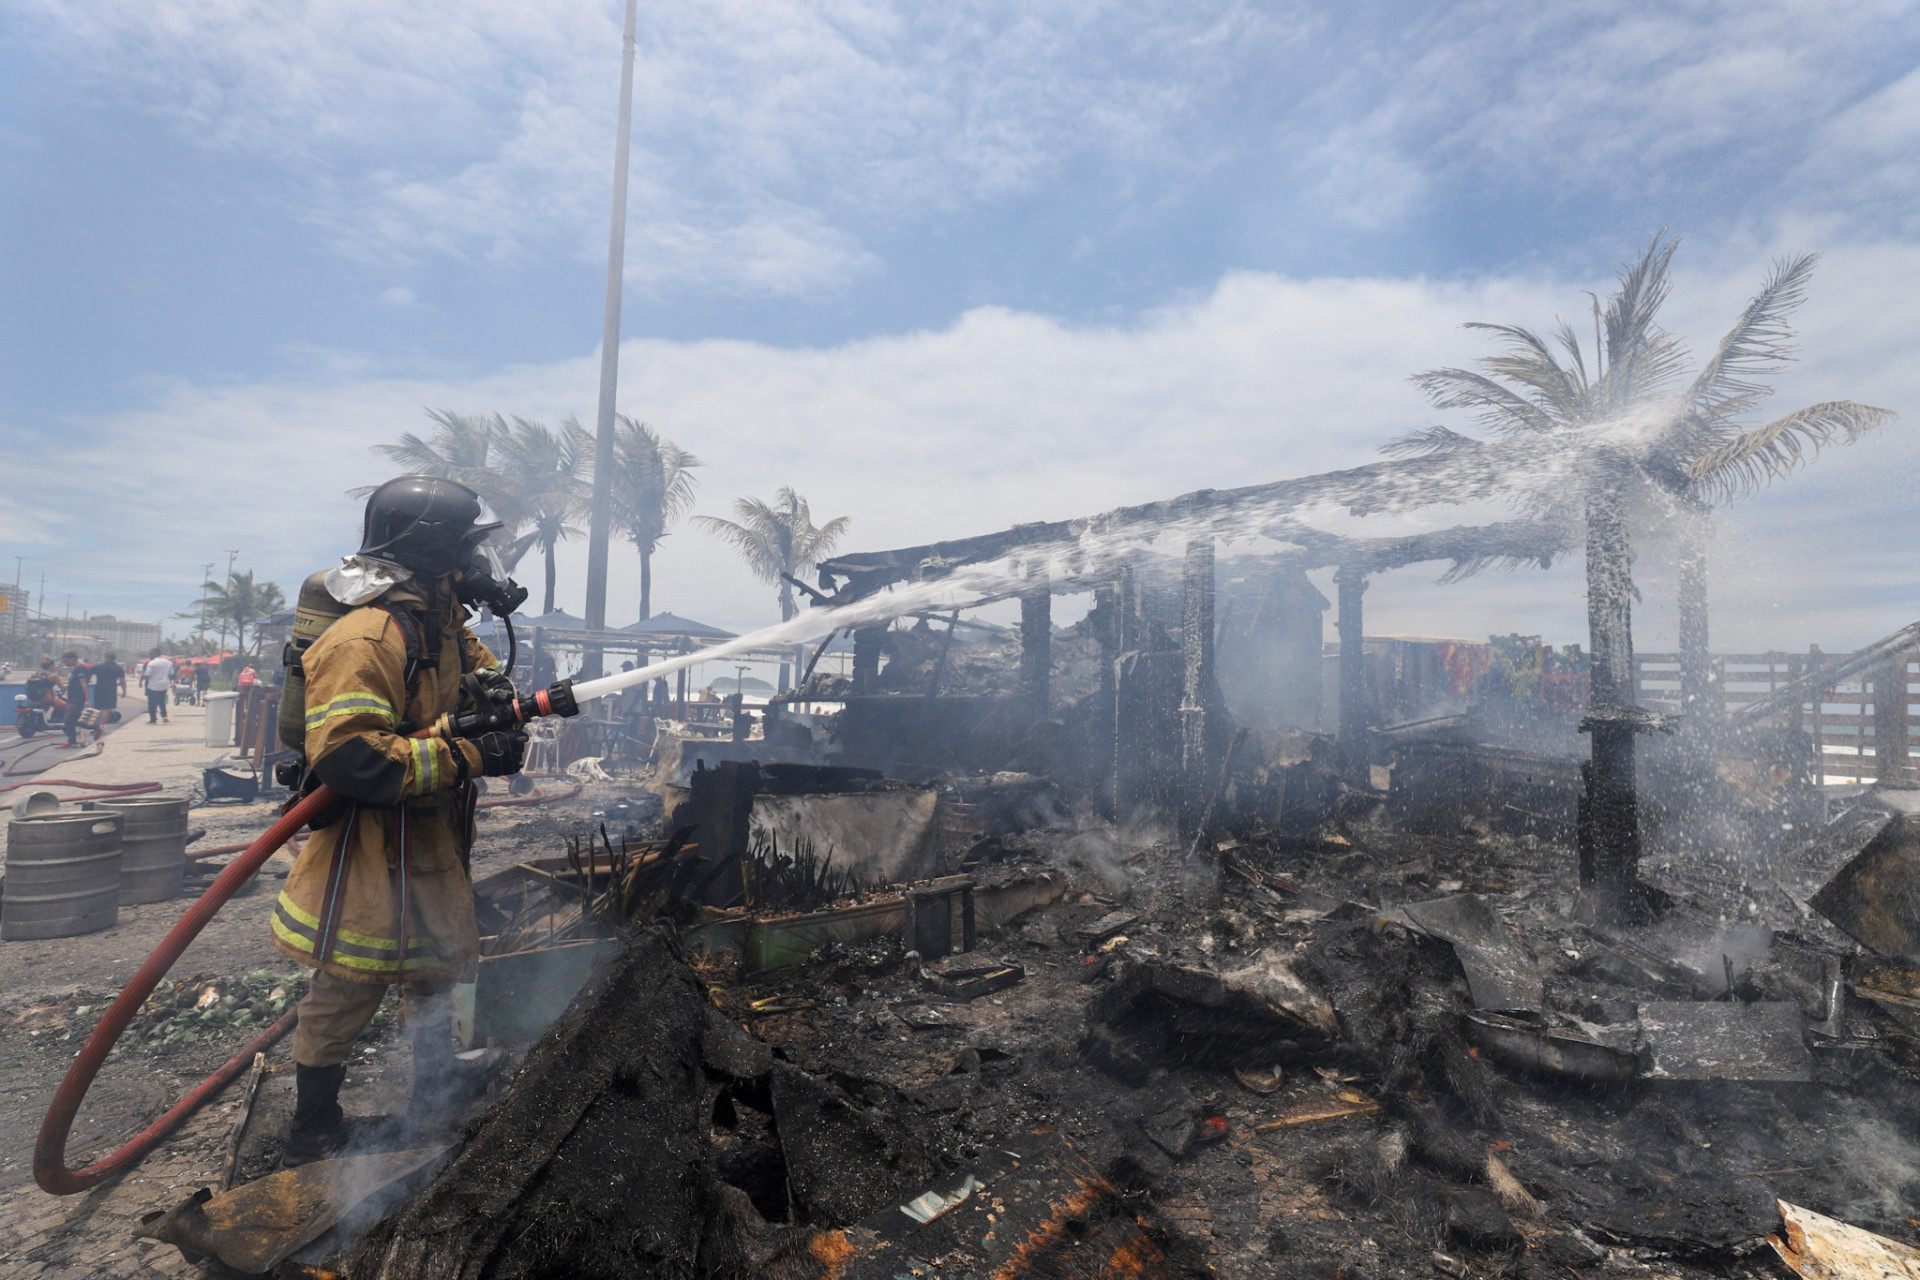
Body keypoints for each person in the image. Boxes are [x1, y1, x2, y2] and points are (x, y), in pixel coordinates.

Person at [276, 476, 527, 1167]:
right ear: (432, 553)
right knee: (348, 984)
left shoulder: (440, 625)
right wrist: (472, 751)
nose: (481, 571)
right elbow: (355, 760)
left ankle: (430, 1105)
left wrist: (506, 708)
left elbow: (482, 677)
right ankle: (314, 1129)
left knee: (435, 971)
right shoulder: (369, 635)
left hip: (431, 839)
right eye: (468, 553)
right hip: (372, 844)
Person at [92, 652, 125, 733]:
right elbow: (122, 681)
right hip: (111, 691)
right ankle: (101, 727)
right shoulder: (118, 668)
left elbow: (88, 676)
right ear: (114, 658)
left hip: (98, 690)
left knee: (97, 709)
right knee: (106, 709)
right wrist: (124, 691)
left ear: (106, 657)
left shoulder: (98, 667)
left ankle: (94, 726)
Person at [142, 648, 174, 723]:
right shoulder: (168, 662)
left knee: (152, 703)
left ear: (154, 654)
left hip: (153, 685)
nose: (149, 656)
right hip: (164, 685)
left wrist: (143, 676)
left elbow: (148, 674)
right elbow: (171, 673)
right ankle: (164, 716)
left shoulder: (152, 663)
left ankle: (153, 719)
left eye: (150, 654)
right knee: (162, 701)